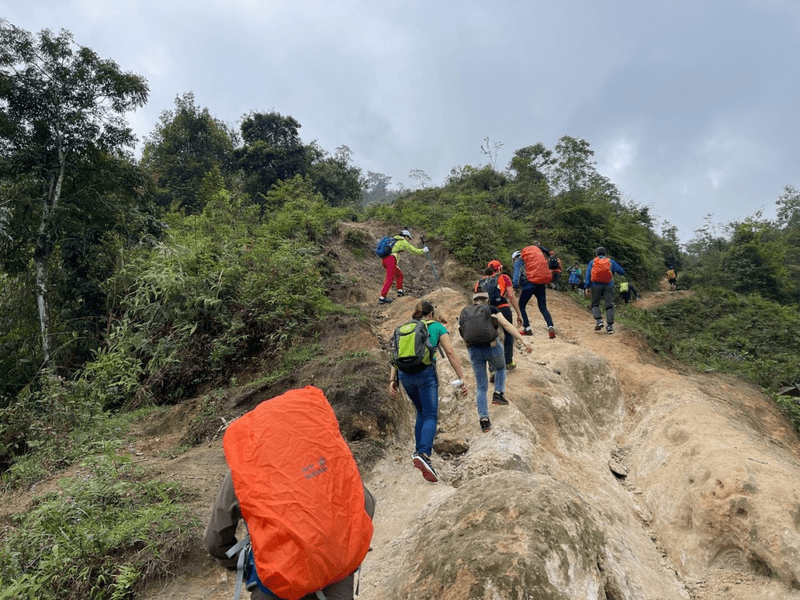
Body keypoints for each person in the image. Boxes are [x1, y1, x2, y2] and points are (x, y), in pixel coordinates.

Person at [205, 388, 376, 600]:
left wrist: (250, 560)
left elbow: (215, 539)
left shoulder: (244, 469)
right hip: (335, 572)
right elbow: (366, 502)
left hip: (277, 584)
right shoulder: (323, 452)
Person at [389, 300, 467, 483]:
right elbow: (450, 352)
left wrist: (392, 379)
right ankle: (424, 454)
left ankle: (418, 452)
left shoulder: (404, 328)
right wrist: (462, 376)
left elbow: (393, 355)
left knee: (420, 412)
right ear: (430, 314)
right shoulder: (436, 327)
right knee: (431, 414)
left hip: (405, 375)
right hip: (425, 374)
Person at [461, 291, 533, 433]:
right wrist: (523, 340)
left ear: (474, 301)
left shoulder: (465, 313)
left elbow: (462, 333)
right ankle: (498, 393)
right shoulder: (491, 309)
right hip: (492, 347)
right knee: (500, 368)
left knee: (481, 387)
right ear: (487, 300)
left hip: (474, 350)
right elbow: (506, 325)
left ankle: (484, 420)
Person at [474, 260, 523, 368]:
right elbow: (511, 295)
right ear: (499, 268)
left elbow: (476, 298)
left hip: (486, 310)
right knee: (508, 333)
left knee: (490, 337)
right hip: (502, 308)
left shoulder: (480, 281)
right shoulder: (504, 277)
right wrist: (519, 313)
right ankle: (508, 361)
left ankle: (492, 367)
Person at [512, 245, 556, 339]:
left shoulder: (518, 260)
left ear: (514, 258)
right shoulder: (532, 259)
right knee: (543, 307)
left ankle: (527, 328)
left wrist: (515, 287)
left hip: (529, 285)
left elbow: (516, 276)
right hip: (540, 284)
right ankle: (550, 327)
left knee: (522, 306)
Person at [379, 229, 428, 304]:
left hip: (385, 260)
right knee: (389, 279)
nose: (409, 240)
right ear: (405, 236)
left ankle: (400, 291)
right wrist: (423, 250)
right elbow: (413, 250)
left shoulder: (395, 240)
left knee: (399, 275)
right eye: (409, 238)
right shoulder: (403, 241)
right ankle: (382, 298)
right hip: (391, 260)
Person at [584, 247, 625, 334]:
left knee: (595, 304)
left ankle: (599, 321)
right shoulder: (610, 261)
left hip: (595, 285)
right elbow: (621, 271)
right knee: (609, 305)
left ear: (596, 255)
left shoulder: (592, 262)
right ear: (605, 254)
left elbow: (588, 275)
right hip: (608, 285)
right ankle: (609, 327)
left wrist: (586, 287)